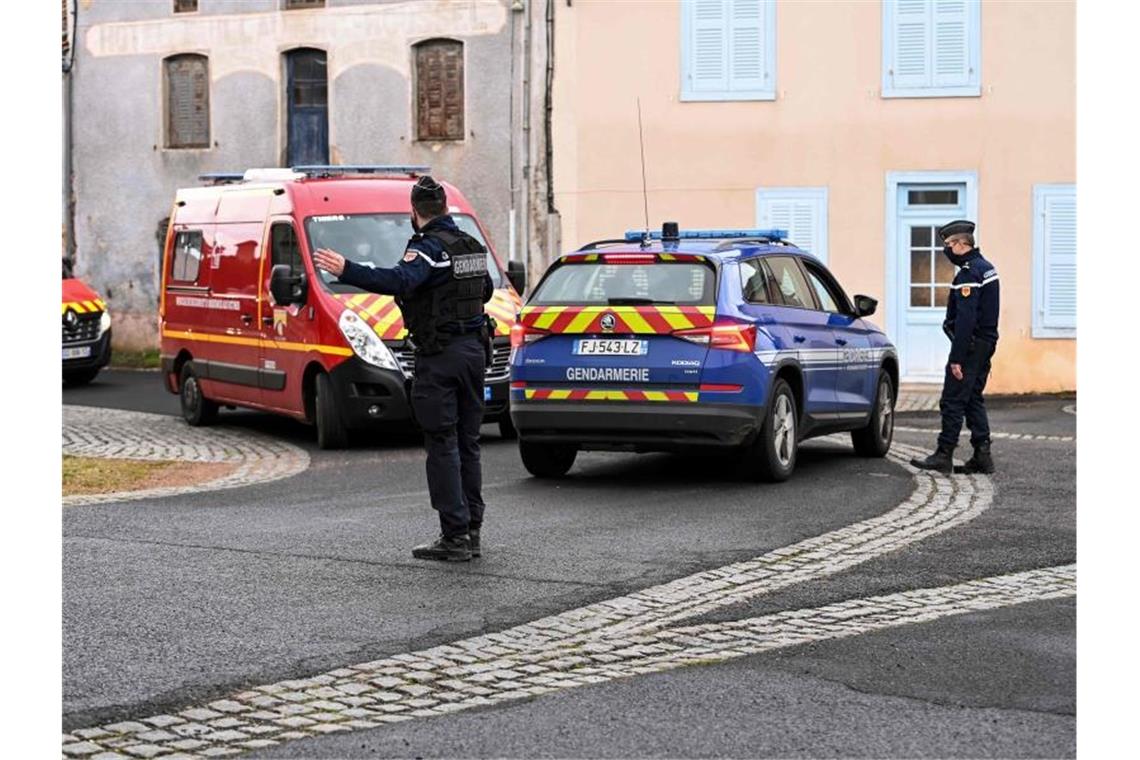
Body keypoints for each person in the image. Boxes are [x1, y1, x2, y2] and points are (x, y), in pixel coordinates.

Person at [312, 176, 494, 561]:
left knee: (442, 442)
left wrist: (347, 269)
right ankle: (472, 530)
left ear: (415, 213)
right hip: (475, 353)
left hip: (440, 356)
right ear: (446, 207)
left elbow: (398, 280)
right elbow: (486, 292)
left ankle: (454, 536)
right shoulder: (471, 245)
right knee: (468, 442)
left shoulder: (426, 249)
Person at [910, 220, 1000, 475]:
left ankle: (944, 454)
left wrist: (957, 358)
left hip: (970, 346)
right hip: (986, 343)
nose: (947, 250)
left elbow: (966, 320)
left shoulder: (969, 274)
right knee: (972, 398)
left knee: (952, 400)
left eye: (949, 244)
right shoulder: (987, 268)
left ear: (962, 244)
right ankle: (983, 455)